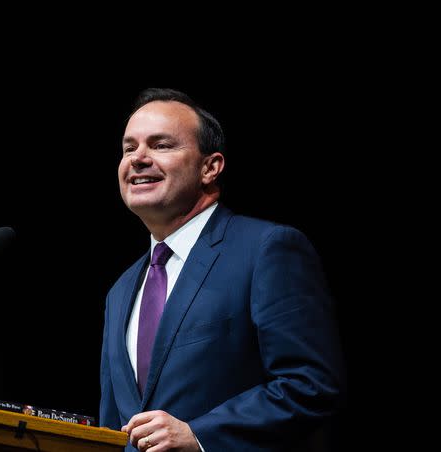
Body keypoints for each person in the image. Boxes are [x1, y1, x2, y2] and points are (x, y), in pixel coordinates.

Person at [99, 88, 344, 451]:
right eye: (129, 148)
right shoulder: (119, 292)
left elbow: (310, 384)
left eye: (161, 145)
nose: (138, 158)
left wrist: (199, 436)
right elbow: (112, 427)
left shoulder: (266, 249)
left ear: (210, 167)